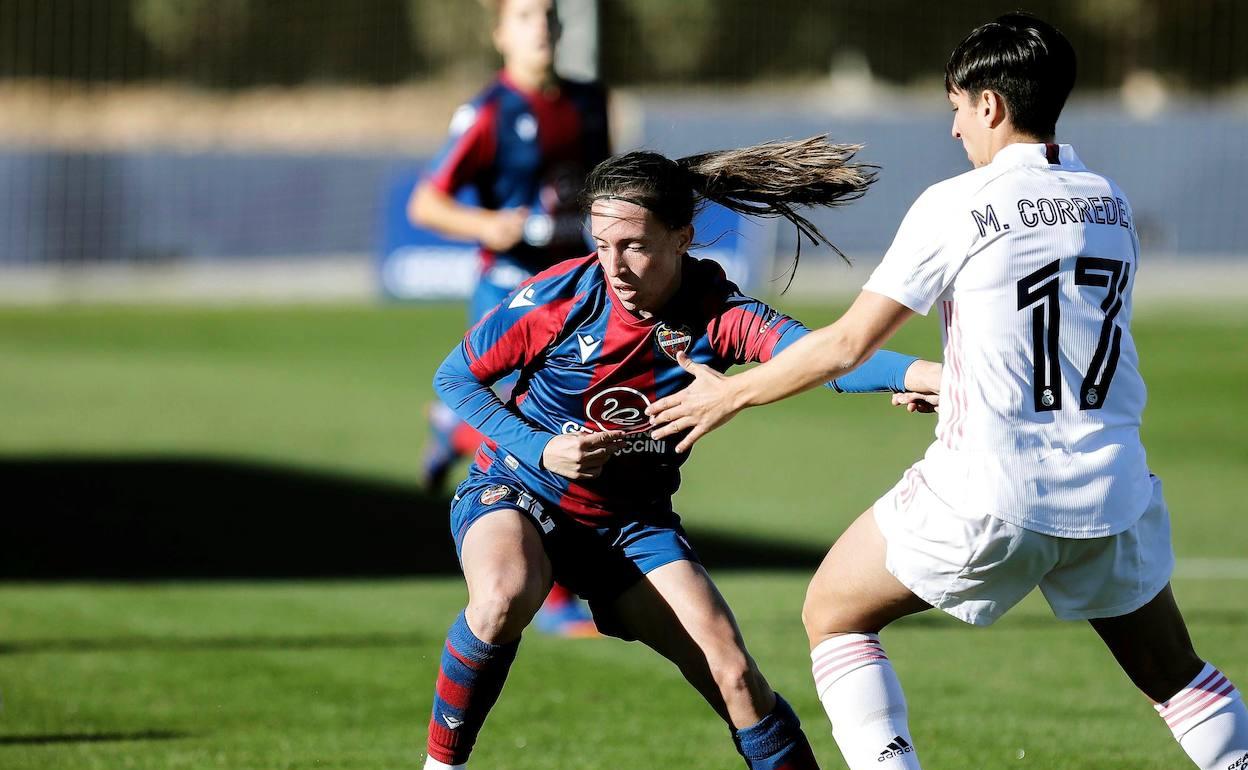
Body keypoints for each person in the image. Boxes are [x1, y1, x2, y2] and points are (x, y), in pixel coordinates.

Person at [647, 14, 1248, 770]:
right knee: (1176, 676)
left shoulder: (957, 204)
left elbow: (844, 344)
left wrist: (727, 397)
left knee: (833, 614)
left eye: (959, 106)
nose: (957, 127)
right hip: (1111, 489)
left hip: (992, 487)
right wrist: (963, 385)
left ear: (992, 105)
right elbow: (1062, 341)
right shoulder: (1110, 201)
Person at [420, 136, 942, 770]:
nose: (613, 265)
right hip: (519, 492)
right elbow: (454, 377)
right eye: (602, 243)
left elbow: (825, 357)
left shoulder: (717, 313)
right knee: (504, 594)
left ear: (682, 237)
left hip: (630, 523)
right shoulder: (560, 297)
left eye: (635, 246)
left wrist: (929, 377)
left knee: (736, 677)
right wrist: (541, 446)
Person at [409, 0, 611, 636]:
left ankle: (451, 428)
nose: (541, 26)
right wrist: (487, 224)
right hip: (509, 292)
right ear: (500, 32)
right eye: (524, 15)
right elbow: (426, 203)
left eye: (548, 15)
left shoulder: (588, 100)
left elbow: (600, 183)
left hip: (575, 289)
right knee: (523, 439)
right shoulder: (490, 111)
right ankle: (549, 597)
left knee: (577, 422)